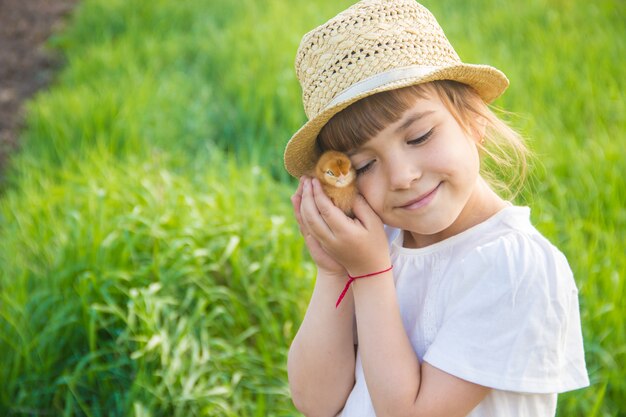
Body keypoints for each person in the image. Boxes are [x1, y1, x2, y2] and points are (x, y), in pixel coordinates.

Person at [283, 0, 589, 416]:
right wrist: (335, 271)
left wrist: (370, 275)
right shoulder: (379, 241)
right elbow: (316, 401)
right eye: (365, 164)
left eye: (420, 136)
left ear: (474, 119)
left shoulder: (511, 268)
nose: (402, 176)